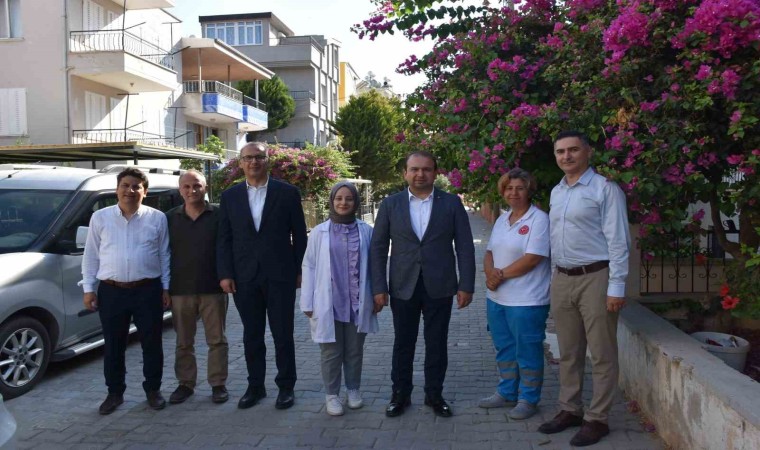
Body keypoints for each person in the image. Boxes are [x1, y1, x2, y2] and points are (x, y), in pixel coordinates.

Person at [538, 131, 631, 447]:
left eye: (573, 150)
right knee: (569, 351)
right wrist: (553, 278)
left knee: (602, 353)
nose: (566, 156)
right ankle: (570, 409)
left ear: (587, 152)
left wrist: (616, 287)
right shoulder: (557, 192)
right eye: (560, 151)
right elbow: (555, 239)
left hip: (596, 278)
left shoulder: (605, 189)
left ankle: (598, 419)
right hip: (563, 278)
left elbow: (618, 241)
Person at [370, 151, 476, 418]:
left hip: (440, 285)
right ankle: (400, 395)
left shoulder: (451, 203)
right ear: (405, 173)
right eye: (414, 169)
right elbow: (378, 248)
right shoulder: (390, 204)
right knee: (403, 343)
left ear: (435, 173)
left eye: (426, 169)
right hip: (402, 285)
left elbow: (465, 246)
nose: (420, 174)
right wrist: (378, 287)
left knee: (437, 343)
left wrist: (467, 284)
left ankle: (434, 395)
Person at [217, 141, 308, 410]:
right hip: (244, 276)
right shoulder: (230, 196)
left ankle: (286, 387)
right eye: (248, 158)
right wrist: (225, 273)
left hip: (281, 275)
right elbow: (224, 238)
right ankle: (255, 386)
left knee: (283, 334)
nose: (254, 162)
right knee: (252, 335)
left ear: (268, 160)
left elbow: (299, 235)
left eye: (259, 157)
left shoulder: (287, 193)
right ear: (240, 162)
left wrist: (301, 270)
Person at [81, 167, 171, 415]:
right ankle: (114, 393)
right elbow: (91, 256)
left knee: (152, 344)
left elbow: (164, 255)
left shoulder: (157, 218)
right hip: (112, 291)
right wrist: (89, 289)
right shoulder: (100, 218)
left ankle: (153, 390)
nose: (130, 190)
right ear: (117, 189)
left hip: (148, 290)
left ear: (145, 191)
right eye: (125, 185)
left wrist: (166, 287)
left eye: (136, 186)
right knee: (113, 345)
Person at [300, 181, 379, 416]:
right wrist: (307, 301)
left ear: (356, 202)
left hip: (357, 301)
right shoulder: (319, 232)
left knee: (355, 350)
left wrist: (377, 295)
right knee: (331, 353)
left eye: (349, 198)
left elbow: (375, 266)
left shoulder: (366, 231)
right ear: (332, 201)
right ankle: (332, 395)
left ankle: (353, 390)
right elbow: (309, 266)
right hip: (328, 303)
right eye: (339, 198)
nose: (343, 203)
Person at [479, 168, 551, 420]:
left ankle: (528, 399)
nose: (514, 193)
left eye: (520, 188)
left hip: (527, 300)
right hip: (497, 299)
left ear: (529, 191)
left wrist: (498, 276)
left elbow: (532, 259)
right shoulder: (502, 219)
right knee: (504, 348)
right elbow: (489, 253)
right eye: (509, 188)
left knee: (527, 350)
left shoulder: (539, 220)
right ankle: (507, 392)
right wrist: (490, 274)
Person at [165, 170, 229, 405]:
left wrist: (227, 276)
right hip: (180, 289)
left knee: (217, 340)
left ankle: (218, 384)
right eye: (187, 186)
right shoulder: (169, 218)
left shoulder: (220, 214)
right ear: (180, 190)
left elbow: (226, 247)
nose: (192, 190)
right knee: (183, 341)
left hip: (213, 288)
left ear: (205, 187)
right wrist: (164, 287)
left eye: (197, 186)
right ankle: (185, 383)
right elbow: (163, 253)